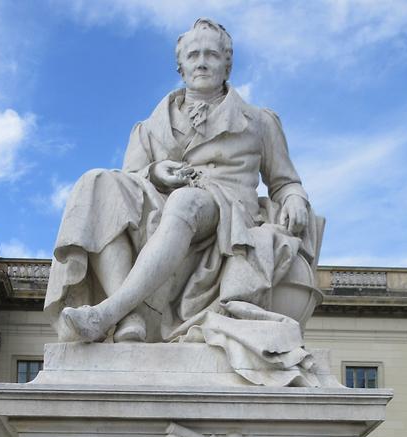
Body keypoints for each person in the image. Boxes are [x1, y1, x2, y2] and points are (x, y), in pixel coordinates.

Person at [46, 17, 322, 365]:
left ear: (227, 64)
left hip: (227, 213)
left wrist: (295, 197)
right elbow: (128, 182)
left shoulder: (259, 122)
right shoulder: (149, 128)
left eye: (211, 54)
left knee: (186, 200)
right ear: (181, 66)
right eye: (193, 55)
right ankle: (129, 317)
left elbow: (285, 180)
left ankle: (108, 312)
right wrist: (155, 171)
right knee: (96, 182)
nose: (202, 61)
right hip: (161, 206)